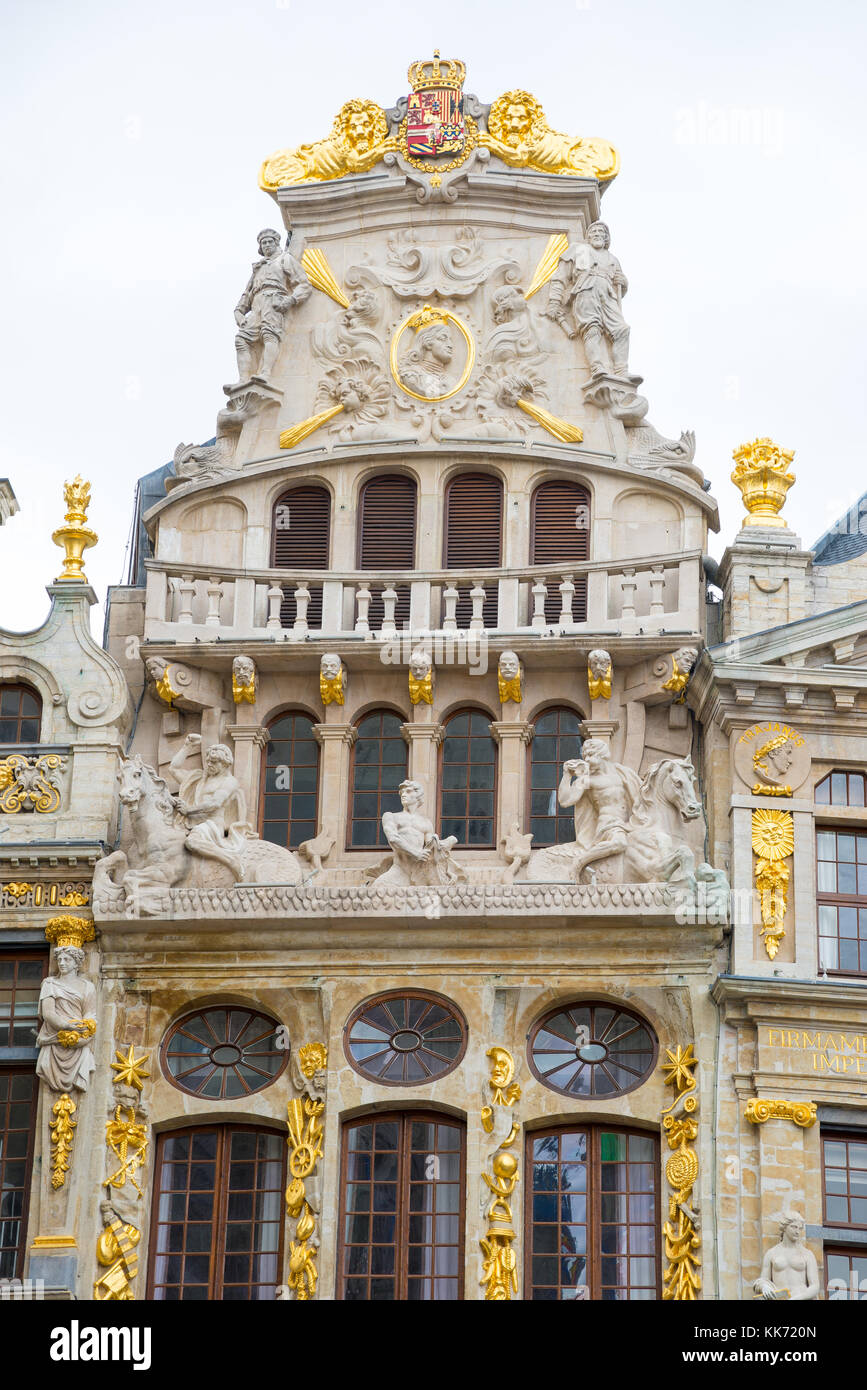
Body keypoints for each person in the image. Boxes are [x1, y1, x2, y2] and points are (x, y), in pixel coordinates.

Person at [546, 222, 630, 378]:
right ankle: (596, 367)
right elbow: (560, 277)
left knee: (622, 329)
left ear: (606, 238)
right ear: (588, 236)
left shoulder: (613, 259)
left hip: (608, 295)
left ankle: (621, 370)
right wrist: (554, 301)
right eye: (593, 231)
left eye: (601, 232)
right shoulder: (578, 250)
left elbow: (620, 285)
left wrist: (624, 283)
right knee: (592, 328)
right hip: (586, 290)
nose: (597, 234)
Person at [233, 229, 311, 386]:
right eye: (264, 243)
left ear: (276, 243)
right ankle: (243, 380)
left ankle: (266, 373)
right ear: (260, 247)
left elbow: (304, 284)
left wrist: (291, 300)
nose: (267, 245)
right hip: (256, 304)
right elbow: (247, 293)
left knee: (269, 334)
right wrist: (239, 313)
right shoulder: (258, 267)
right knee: (241, 339)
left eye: (270, 242)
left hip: (274, 299)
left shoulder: (285, 259)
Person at [170, 735, 250, 878]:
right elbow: (173, 769)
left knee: (192, 842)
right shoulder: (199, 779)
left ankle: (231, 861)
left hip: (212, 826)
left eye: (213, 762)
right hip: (189, 824)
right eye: (208, 761)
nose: (209, 765)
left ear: (224, 763)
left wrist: (188, 810)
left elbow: (215, 803)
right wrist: (188, 746)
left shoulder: (229, 782)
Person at [36, 944, 97, 1093]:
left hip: (78, 1037)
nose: (62, 963)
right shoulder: (50, 983)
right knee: (46, 1066)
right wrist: (67, 1026)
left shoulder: (88, 987)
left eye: (67, 959)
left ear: (76, 963)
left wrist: (86, 1029)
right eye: (60, 960)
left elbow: (90, 1013)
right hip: (55, 1037)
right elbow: (48, 1013)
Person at [753, 1212, 820, 1300]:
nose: (797, 1232)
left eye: (800, 1228)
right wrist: (764, 1287)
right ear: (784, 1227)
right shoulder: (771, 1253)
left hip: (800, 1297)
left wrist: (796, 1299)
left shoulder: (807, 1254)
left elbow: (815, 1286)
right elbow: (763, 1279)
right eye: (794, 1227)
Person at [399, 324, 455, 398]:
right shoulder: (412, 377)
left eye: (450, 340)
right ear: (428, 343)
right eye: (443, 339)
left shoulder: (451, 381)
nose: (450, 345)